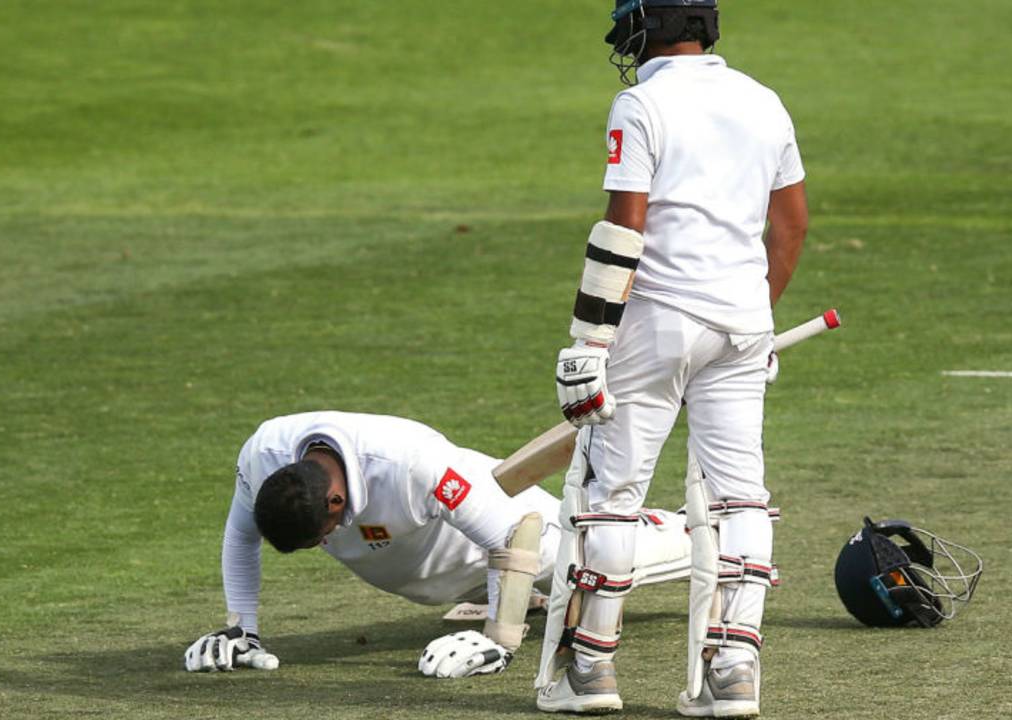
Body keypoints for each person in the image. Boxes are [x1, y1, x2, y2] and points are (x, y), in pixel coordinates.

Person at [541, 0, 808, 715]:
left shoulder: (640, 102)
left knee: (614, 498)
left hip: (657, 320)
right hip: (743, 323)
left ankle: (591, 672)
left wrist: (589, 342)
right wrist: (758, 316)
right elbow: (791, 225)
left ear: (647, 28)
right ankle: (735, 671)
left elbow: (623, 225)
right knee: (740, 493)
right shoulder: (764, 100)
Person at [182, 411, 690, 679]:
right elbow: (240, 536)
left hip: (504, 540)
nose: (326, 544)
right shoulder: (261, 457)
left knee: (601, 555)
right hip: (444, 578)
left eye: (323, 534)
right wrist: (241, 629)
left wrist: (498, 639)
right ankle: (531, 602)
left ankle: (702, 530)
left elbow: (515, 538)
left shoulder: (410, 466)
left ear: (335, 499)